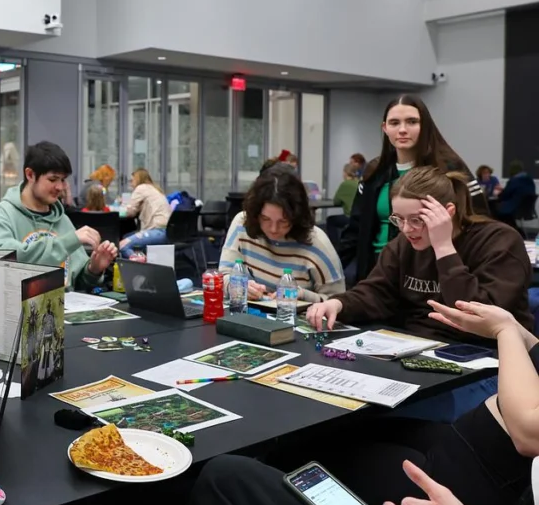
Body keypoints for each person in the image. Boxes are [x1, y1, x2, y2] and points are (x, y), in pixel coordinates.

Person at [186, 297, 539, 505]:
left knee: (225, 474)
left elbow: (527, 431)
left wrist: (505, 331)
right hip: (460, 447)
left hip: (463, 482)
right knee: (324, 438)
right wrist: (524, 339)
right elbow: (375, 289)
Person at [308, 167, 531, 344]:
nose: (406, 229)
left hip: (483, 354)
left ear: (448, 212)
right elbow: (376, 291)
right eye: (399, 219)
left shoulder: (500, 241)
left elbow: (477, 317)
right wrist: (339, 304)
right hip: (416, 346)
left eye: (417, 219)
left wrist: (443, 247)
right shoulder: (404, 244)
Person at [338, 94, 487, 284]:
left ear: (424, 126)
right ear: (385, 128)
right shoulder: (374, 171)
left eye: (411, 122)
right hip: (376, 268)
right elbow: (356, 228)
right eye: (394, 123)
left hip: (428, 272)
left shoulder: (450, 168)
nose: (402, 130)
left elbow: (477, 221)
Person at [0, 141, 117, 290]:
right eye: (53, 179)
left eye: (62, 180)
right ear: (30, 175)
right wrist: (67, 242)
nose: (60, 187)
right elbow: (2, 260)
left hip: (66, 308)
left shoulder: (62, 220)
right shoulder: (4, 214)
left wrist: (94, 269)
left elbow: (78, 282)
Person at [219, 165, 344, 303]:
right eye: (265, 219)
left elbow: (339, 302)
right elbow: (223, 275)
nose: (273, 229)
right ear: (255, 214)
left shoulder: (317, 243)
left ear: (296, 217)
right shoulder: (241, 224)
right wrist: (237, 286)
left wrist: (302, 295)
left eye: (283, 221)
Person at [118, 169, 172, 257]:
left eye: (132, 180)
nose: (131, 184)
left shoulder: (141, 188)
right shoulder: (154, 188)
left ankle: (140, 265)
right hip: (168, 231)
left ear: (138, 179)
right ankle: (140, 261)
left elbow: (129, 212)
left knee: (123, 245)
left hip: (157, 231)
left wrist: (121, 206)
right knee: (126, 236)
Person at [495, 160, 536, 228]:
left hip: (514, 208)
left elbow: (504, 196)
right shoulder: (529, 180)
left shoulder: (514, 180)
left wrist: (499, 194)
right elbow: (519, 191)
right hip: (525, 208)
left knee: (495, 209)